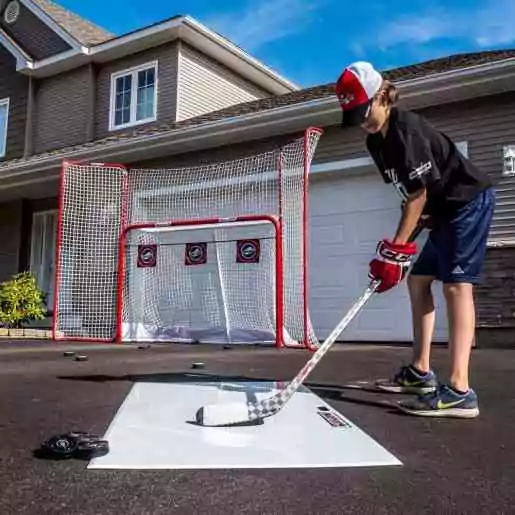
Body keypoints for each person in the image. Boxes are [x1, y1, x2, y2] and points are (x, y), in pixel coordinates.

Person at [334, 61, 495, 418]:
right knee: (419, 280)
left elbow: (419, 195)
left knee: (456, 286)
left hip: (467, 203)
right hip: (441, 212)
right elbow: (411, 196)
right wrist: (402, 246)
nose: (363, 120)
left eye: (364, 110)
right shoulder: (375, 141)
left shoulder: (405, 130)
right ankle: (421, 372)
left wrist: (396, 250)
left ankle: (459, 390)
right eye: (354, 115)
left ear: (381, 97)